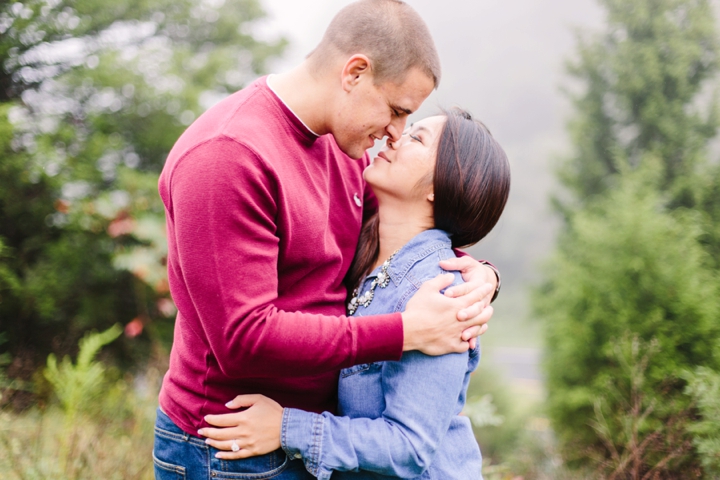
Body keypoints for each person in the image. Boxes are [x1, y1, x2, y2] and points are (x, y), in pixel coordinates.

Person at [153, 1, 500, 478]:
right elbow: (244, 338)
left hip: (310, 441)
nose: (396, 133)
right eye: (397, 111)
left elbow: (412, 230)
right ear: (355, 72)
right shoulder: (227, 157)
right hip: (227, 444)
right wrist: (405, 332)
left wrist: (477, 275)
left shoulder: (345, 145)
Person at [199, 109, 511, 479]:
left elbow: (410, 447)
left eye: (417, 138)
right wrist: (489, 273)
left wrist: (287, 427)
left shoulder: (444, 294)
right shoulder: (368, 252)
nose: (396, 137)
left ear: (438, 186)